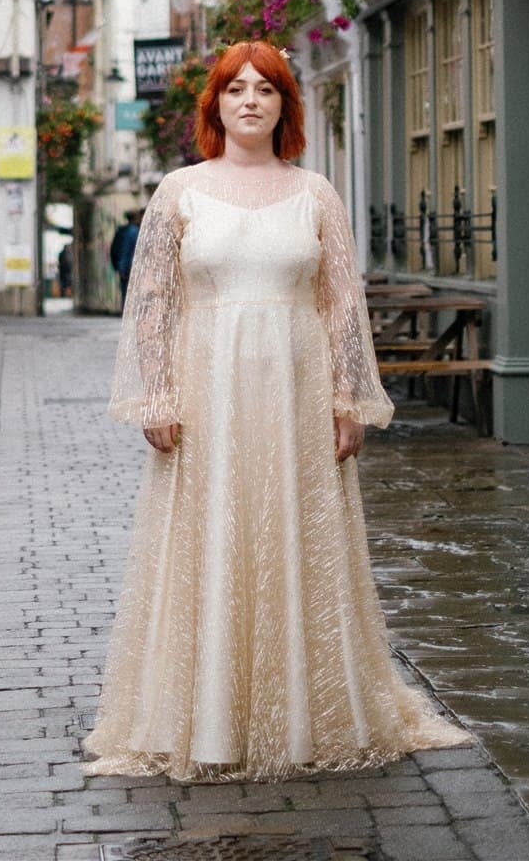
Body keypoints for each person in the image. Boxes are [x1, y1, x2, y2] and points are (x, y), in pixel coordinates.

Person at [84, 40, 467, 782]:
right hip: (207, 393)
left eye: (265, 89)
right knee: (213, 537)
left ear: (285, 106)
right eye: (235, 89)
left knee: (295, 534)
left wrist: (349, 399)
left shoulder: (315, 192)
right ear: (216, 105)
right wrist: (156, 397)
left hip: (295, 395)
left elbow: (340, 306)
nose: (250, 100)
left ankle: (307, 711)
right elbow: (152, 302)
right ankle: (202, 715)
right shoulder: (178, 192)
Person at [108, 208, 143, 307]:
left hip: (125, 268)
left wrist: (119, 268)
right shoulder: (133, 231)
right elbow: (127, 251)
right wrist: (123, 268)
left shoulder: (123, 230)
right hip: (130, 269)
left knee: (126, 294)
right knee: (131, 295)